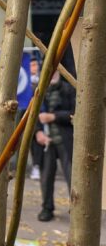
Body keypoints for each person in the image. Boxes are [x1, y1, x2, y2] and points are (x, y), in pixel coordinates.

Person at [36, 70, 75, 222]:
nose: (52, 74)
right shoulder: (38, 90)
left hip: (66, 141)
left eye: (55, 71)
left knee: (73, 177)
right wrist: (38, 133)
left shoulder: (69, 89)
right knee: (46, 178)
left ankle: (77, 209)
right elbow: (30, 116)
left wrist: (54, 116)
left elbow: (76, 113)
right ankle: (47, 208)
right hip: (46, 143)